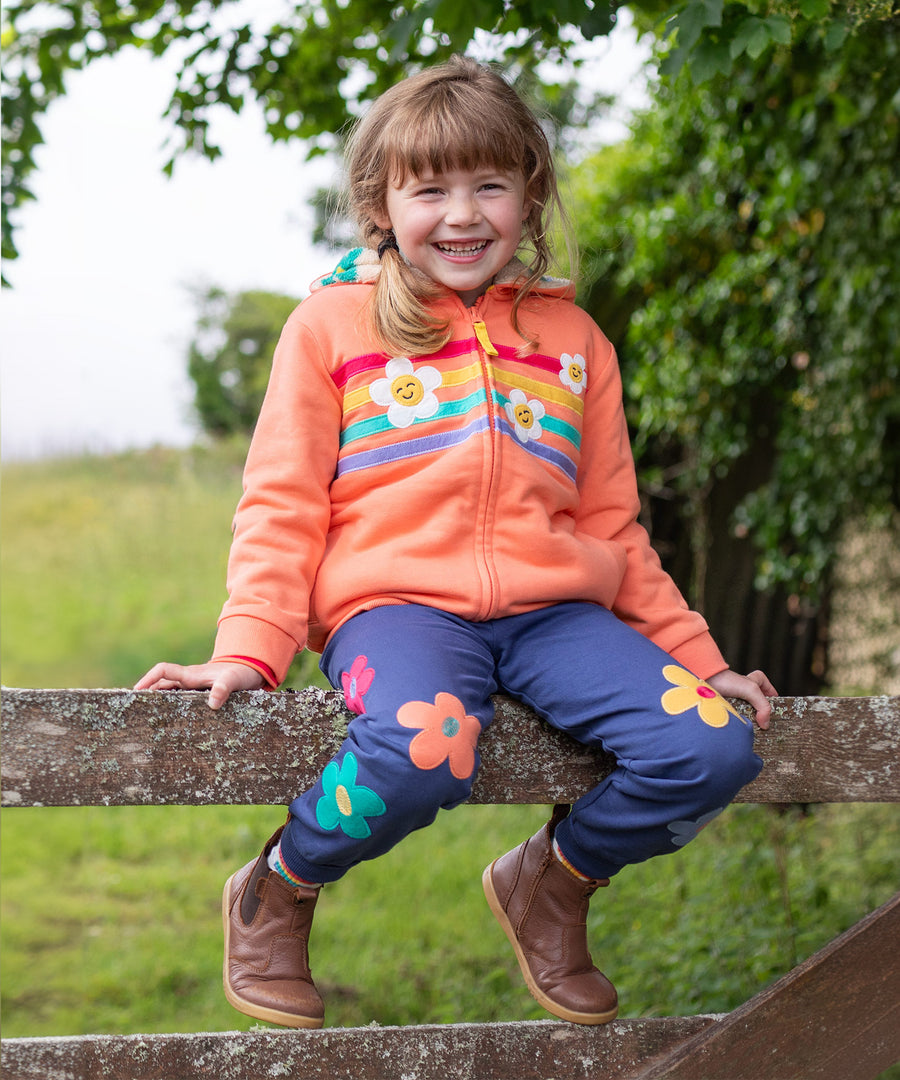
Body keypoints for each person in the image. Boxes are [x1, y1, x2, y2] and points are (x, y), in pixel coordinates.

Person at [136, 55, 776, 1030]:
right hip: (395, 611)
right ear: (381, 203)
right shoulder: (329, 328)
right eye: (429, 188)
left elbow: (611, 526)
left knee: (710, 747)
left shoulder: (574, 342)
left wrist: (699, 660)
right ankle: (280, 884)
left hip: (558, 613)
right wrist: (249, 649)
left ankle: (552, 883)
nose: (462, 213)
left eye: (489, 183)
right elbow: (281, 504)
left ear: (531, 191)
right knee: (428, 751)